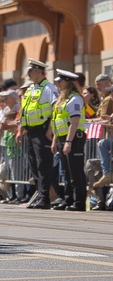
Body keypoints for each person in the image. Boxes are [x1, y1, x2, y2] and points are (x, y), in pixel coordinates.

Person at [19, 58, 57, 209]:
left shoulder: (48, 88)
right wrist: (21, 129)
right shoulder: (31, 89)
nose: (28, 73)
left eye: (30, 71)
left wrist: (50, 129)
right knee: (34, 165)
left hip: (42, 130)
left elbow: (56, 108)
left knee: (43, 165)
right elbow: (26, 111)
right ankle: (40, 196)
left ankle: (45, 198)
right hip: (31, 131)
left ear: (37, 71)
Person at [50, 69, 87, 211]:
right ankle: (68, 199)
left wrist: (69, 142)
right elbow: (57, 122)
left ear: (68, 82)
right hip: (62, 138)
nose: (58, 84)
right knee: (66, 171)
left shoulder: (74, 99)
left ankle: (79, 203)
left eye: (60, 81)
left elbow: (75, 122)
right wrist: (55, 140)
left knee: (75, 171)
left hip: (73, 138)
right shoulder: (62, 100)